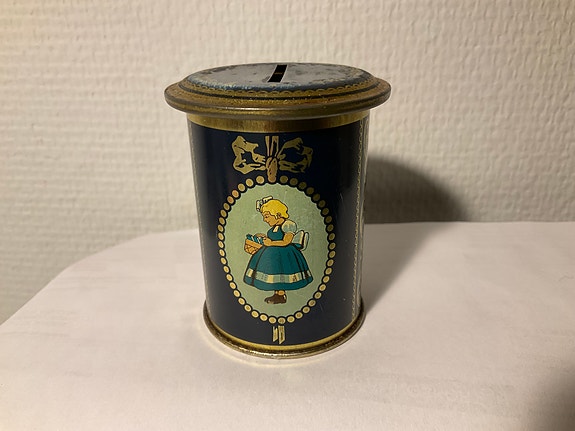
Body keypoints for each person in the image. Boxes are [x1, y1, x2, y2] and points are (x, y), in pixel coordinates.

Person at [244, 196, 313, 304]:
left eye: (267, 216)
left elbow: (286, 241)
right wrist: (263, 238)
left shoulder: (288, 225)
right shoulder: (274, 227)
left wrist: (271, 243)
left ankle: (280, 295)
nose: (264, 219)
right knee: (274, 273)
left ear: (278, 214)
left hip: (285, 254)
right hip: (273, 254)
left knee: (281, 273)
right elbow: (273, 238)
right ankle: (278, 294)